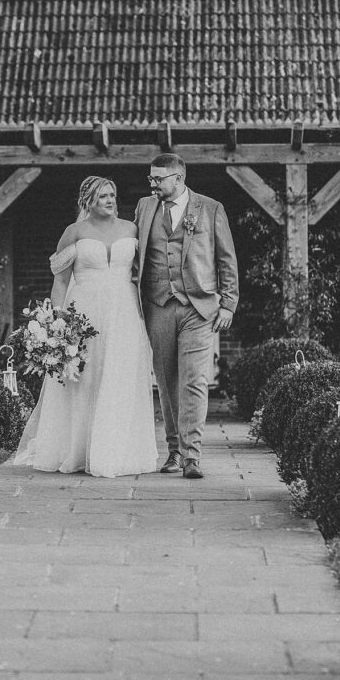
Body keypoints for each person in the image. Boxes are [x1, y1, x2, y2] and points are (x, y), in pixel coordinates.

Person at [14, 175, 158, 478]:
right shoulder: (74, 232)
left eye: (112, 194)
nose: (110, 200)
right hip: (85, 313)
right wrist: (57, 322)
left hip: (124, 312)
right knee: (86, 380)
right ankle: (79, 450)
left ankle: (117, 450)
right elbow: (61, 281)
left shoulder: (131, 230)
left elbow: (141, 274)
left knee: (119, 377)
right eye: (103, 196)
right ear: (88, 201)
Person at [135, 153, 239, 479]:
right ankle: (174, 452)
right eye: (150, 178)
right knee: (166, 383)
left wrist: (229, 304)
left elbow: (226, 259)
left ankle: (192, 456)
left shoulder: (210, 208)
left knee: (194, 380)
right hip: (158, 305)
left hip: (200, 307)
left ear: (178, 178)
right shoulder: (144, 208)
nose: (152, 183)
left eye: (158, 178)